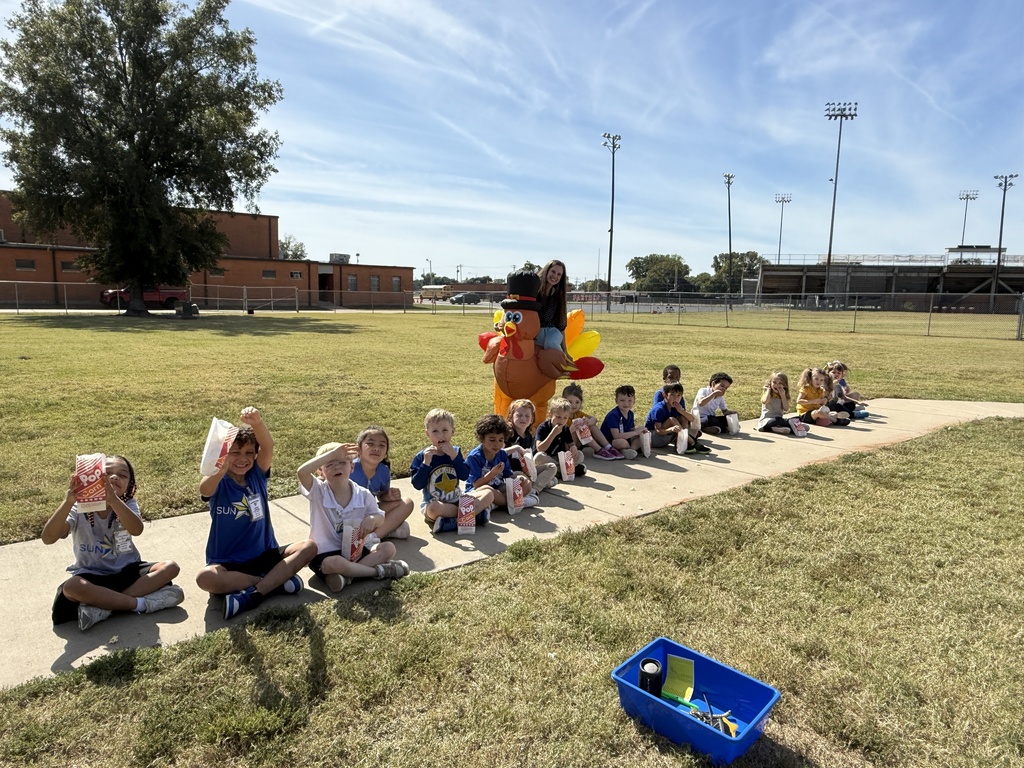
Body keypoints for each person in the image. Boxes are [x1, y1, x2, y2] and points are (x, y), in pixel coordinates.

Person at [196, 407, 316, 619]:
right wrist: (219, 470)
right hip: (228, 562)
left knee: (309, 547)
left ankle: (254, 594)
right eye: (235, 453)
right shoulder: (220, 481)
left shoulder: (257, 475)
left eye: (249, 452)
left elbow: (268, 446)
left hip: (265, 555)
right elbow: (204, 490)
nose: (242, 458)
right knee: (205, 578)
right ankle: (272, 583)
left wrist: (257, 423)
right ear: (224, 455)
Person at [43, 455, 184, 631]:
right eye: (107, 473)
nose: (115, 477)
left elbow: (136, 529)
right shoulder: (79, 507)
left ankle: (103, 608)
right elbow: (48, 538)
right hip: (91, 574)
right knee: (72, 587)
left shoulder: (127, 503)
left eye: (123, 475)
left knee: (171, 567)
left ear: (130, 485)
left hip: (127, 570)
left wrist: (112, 500)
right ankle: (140, 604)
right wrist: (68, 501)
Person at [298, 442, 410, 593]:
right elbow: (302, 472)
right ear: (321, 472)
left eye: (342, 463)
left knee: (388, 548)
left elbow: (380, 517)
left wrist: (372, 519)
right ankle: (378, 571)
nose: (337, 467)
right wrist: (332, 453)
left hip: (355, 551)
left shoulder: (362, 494)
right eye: (329, 464)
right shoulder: (318, 491)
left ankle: (347, 577)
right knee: (335, 563)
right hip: (326, 554)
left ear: (352, 467)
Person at [410, 408, 494, 534]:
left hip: (458, 500)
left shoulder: (455, 452)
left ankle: (452, 522)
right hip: (437, 504)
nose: (440, 435)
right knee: (433, 509)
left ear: (452, 432)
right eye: (435, 431)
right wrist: (426, 464)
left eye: (445, 430)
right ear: (428, 434)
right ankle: (474, 516)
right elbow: (417, 485)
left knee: (489, 493)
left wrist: (454, 457)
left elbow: (464, 475)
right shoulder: (423, 456)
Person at [351, 425, 414, 539]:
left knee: (407, 503)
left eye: (382, 445)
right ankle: (388, 529)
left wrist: (388, 496)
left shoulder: (383, 471)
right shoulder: (349, 469)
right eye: (370, 444)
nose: (376, 448)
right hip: (348, 515)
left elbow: (381, 496)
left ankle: (373, 537)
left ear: (386, 453)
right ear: (358, 448)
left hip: (370, 514)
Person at [466, 414, 537, 512]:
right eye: (492, 440)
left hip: (499, 489)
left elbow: (508, 475)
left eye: (501, 440)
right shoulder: (474, 457)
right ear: (482, 438)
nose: (497, 444)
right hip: (479, 491)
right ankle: (517, 502)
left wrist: (520, 479)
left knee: (526, 484)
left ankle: (495, 504)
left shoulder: (502, 454)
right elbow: (476, 485)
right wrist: (492, 474)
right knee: (488, 491)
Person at [506, 398, 558, 492]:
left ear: (532, 419)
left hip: (527, 471)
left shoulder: (529, 436)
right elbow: (498, 454)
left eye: (527, 416)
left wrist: (531, 470)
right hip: (513, 472)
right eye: (519, 415)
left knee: (552, 467)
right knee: (548, 481)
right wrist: (515, 448)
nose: (523, 418)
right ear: (511, 416)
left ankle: (534, 486)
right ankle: (535, 489)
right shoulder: (508, 434)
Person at [645, 381, 710, 453]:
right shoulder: (658, 409)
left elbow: (692, 419)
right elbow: (658, 431)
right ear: (664, 395)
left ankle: (683, 443)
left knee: (683, 417)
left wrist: (681, 411)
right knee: (672, 420)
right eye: (672, 395)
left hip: (666, 436)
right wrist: (671, 429)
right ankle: (692, 442)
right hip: (653, 438)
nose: (676, 398)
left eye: (679, 395)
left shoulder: (675, 407)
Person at [562, 383, 623, 460]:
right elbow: (559, 436)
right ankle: (598, 450)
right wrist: (571, 429)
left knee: (591, 425)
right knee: (580, 427)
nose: (574, 405)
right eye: (570, 402)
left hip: (578, 444)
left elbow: (594, 419)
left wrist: (588, 422)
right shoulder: (561, 416)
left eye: (577, 402)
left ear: (581, 402)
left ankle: (608, 447)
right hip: (567, 446)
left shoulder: (578, 414)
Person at [535, 397, 586, 482]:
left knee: (580, 455)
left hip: (559, 458)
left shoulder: (565, 428)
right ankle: (566, 470)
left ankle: (559, 471)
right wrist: (553, 434)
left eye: (565, 418)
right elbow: (540, 449)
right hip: (547, 458)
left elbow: (571, 444)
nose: (561, 421)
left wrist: (573, 448)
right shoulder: (543, 427)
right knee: (538, 457)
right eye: (558, 417)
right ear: (550, 415)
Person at [536, 260, 570, 360]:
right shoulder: (534, 291)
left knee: (551, 343)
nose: (555, 276)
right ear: (547, 271)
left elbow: (561, 326)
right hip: (535, 333)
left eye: (559, 274)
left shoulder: (558, 296)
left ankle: (562, 364)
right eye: (553, 271)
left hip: (552, 332)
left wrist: (565, 352)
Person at [599, 385, 646, 459]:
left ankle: (631, 450)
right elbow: (616, 435)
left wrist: (640, 430)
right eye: (622, 400)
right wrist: (635, 432)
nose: (626, 403)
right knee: (620, 442)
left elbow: (631, 429)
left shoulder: (630, 414)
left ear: (634, 401)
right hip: (612, 441)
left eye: (629, 400)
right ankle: (626, 450)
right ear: (616, 401)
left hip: (625, 438)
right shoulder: (613, 415)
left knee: (641, 438)